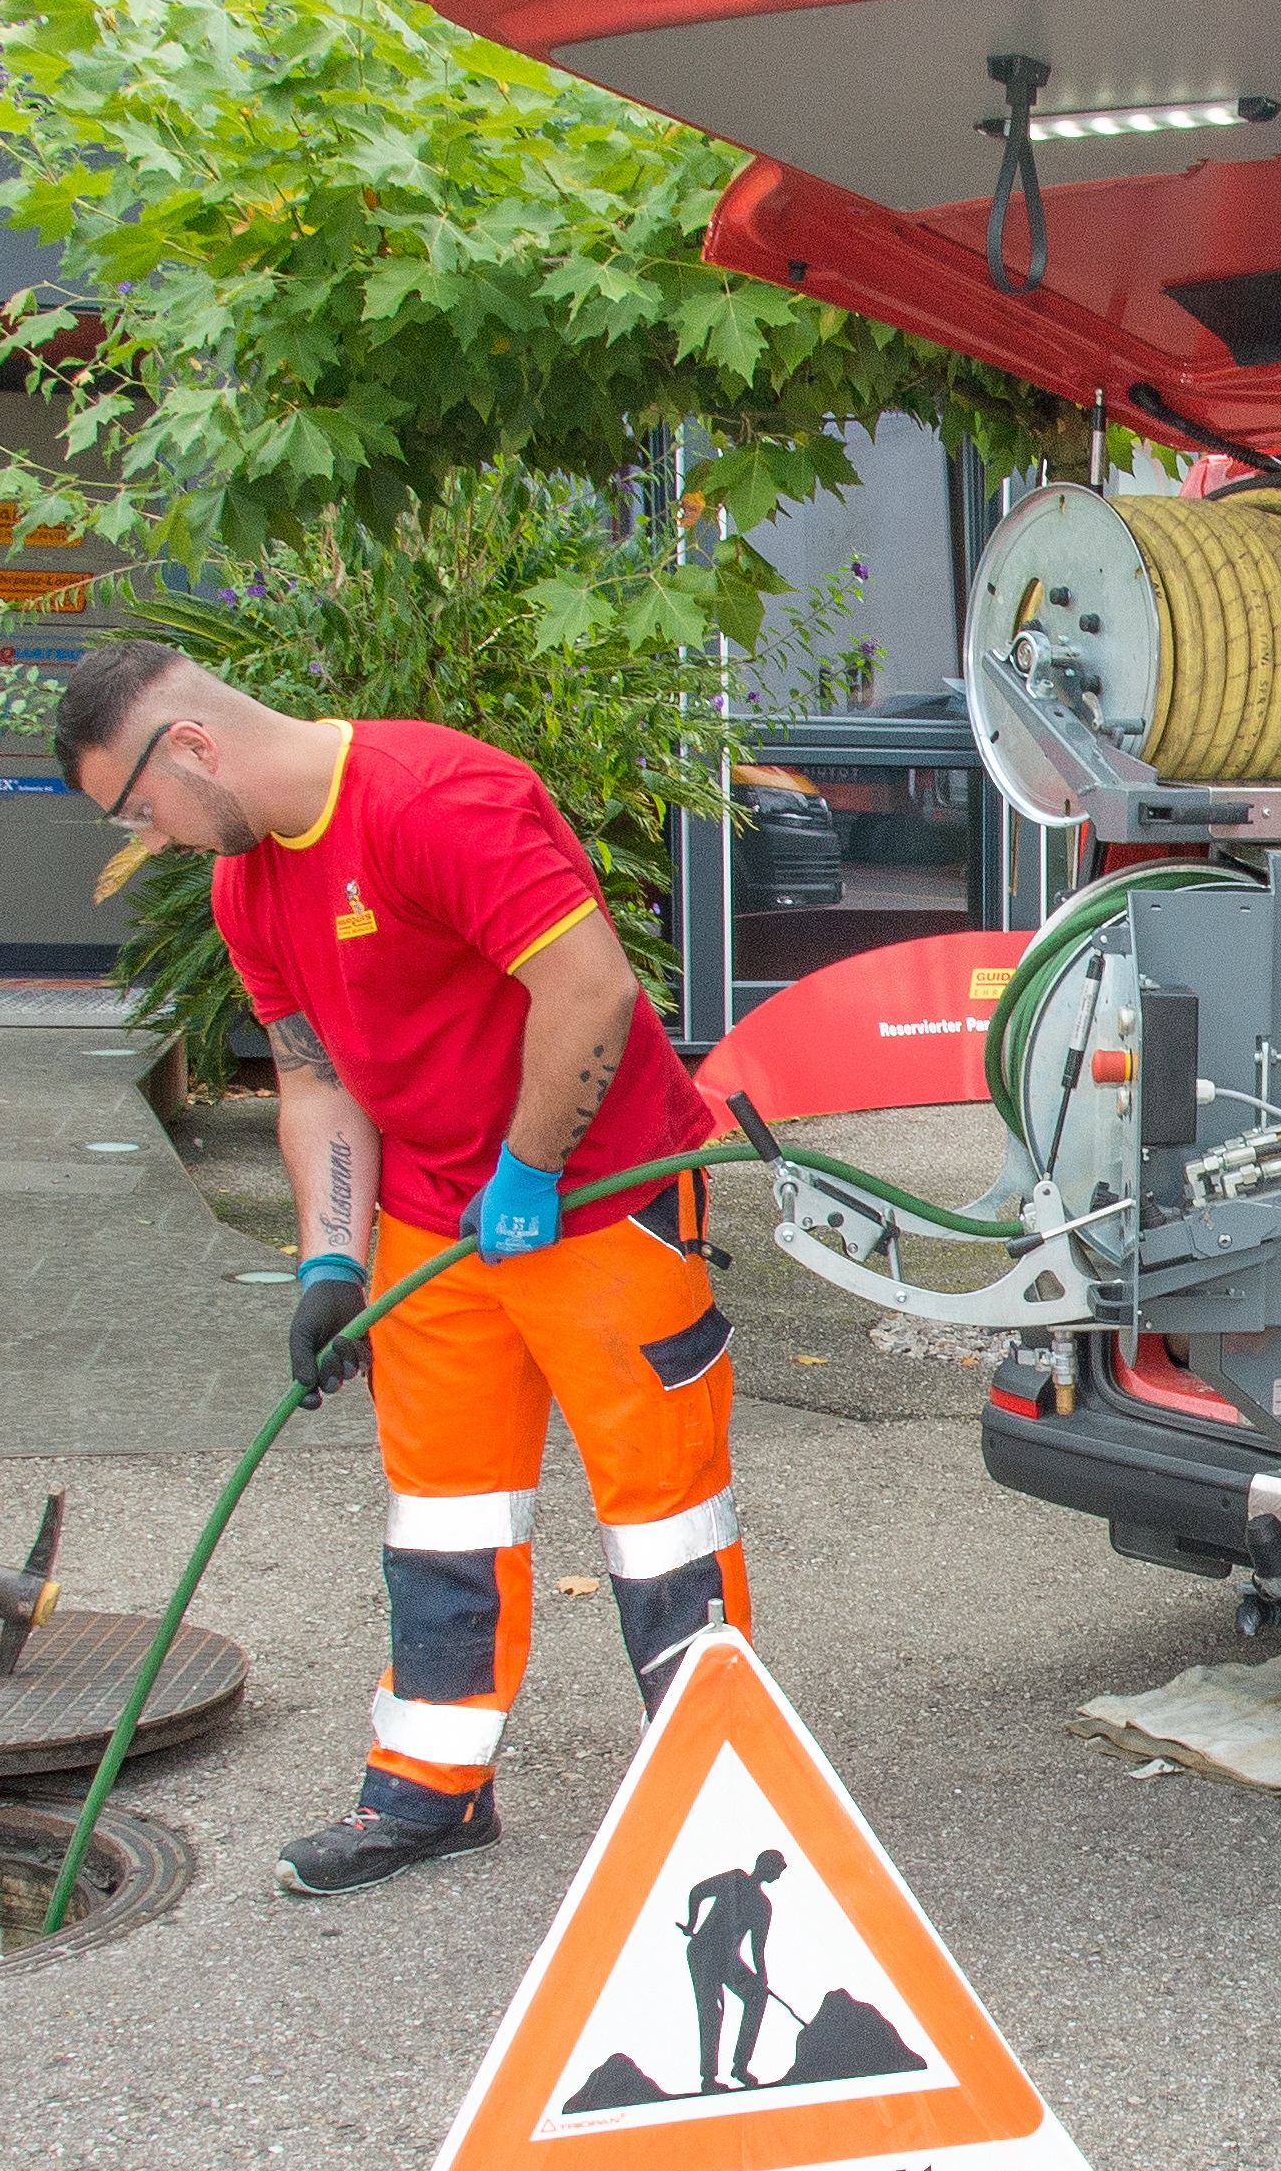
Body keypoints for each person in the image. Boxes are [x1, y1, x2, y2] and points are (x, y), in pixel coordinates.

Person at [53, 638, 745, 1899]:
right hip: (436, 1226)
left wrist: (530, 1165)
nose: (145, 834)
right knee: (446, 1515)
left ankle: (720, 1798)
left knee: (661, 1518)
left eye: (137, 806)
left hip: (599, 1200)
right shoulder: (246, 890)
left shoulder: (438, 799)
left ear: (192, 745)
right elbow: (314, 1079)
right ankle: (429, 1791)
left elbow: (586, 988)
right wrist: (329, 1260)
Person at [681, 1850, 785, 2091]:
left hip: (728, 1961)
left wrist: (761, 1980)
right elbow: (697, 1892)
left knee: (757, 1996)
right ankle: (709, 2079)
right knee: (712, 2010)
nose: (780, 1874)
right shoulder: (734, 1880)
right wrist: (691, 1924)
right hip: (704, 1953)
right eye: (779, 1867)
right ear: (767, 1866)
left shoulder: (763, 1907)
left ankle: (741, 2066)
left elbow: (757, 1949)